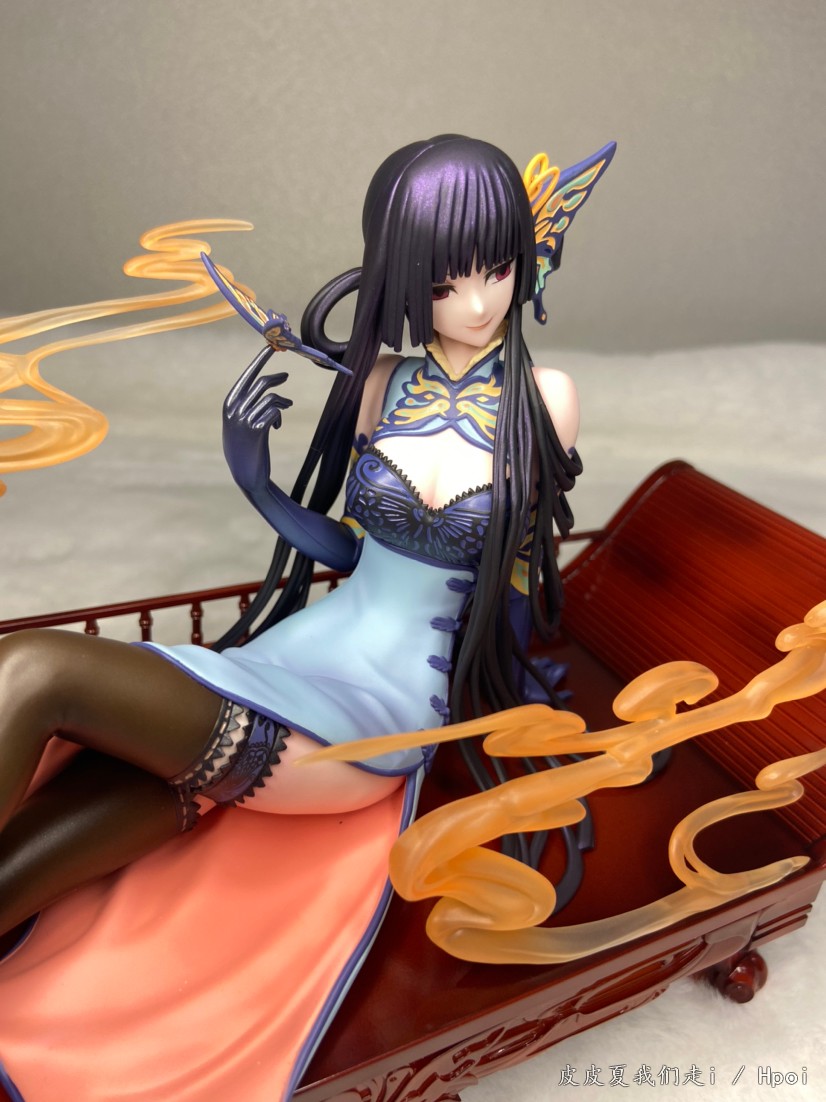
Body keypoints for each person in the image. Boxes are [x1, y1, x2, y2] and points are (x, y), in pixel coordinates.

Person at [0, 134, 612, 1101]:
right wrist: (257, 483)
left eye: (496, 268)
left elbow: (508, 577)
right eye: (446, 280)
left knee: (35, 669)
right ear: (405, 277)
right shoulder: (379, 385)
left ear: (527, 261)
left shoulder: (546, 400)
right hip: (290, 656)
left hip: (376, 715)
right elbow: (357, 554)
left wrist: (502, 706)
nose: (477, 301)